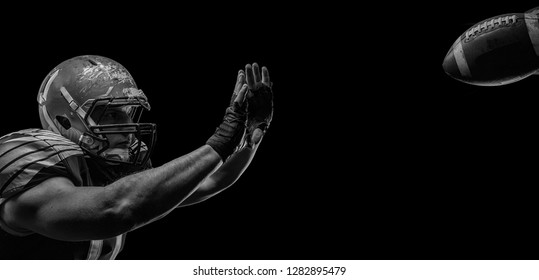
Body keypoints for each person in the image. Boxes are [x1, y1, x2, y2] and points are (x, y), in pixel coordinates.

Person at [0, 55, 273, 259]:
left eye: (127, 113)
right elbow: (116, 209)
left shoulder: (111, 169)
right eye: (110, 113)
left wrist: (249, 136)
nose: (128, 126)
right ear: (64, 120)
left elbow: (211, 181)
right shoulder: (33, 156)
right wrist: (222, 139)